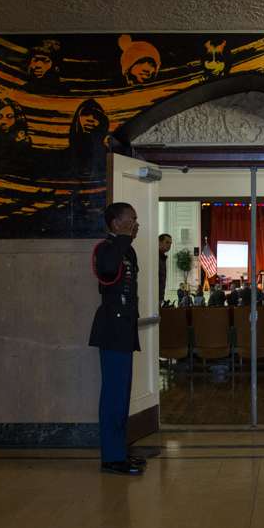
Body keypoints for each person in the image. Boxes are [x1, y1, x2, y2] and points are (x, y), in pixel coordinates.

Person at [88, 202, 146, 476]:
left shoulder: (127, 249)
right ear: (115, 224)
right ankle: (111, 458)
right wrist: (122, 239)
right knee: (113, 396)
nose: (135, 224)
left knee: (122, 396)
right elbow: (109, 271)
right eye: (130, 219)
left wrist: (126, 240)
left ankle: (119, 451)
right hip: (111, 330)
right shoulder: (105, 249)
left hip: (124, 331)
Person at [158, 233, 172, 306]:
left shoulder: (162, 258)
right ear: (159, 242)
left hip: (160, 296)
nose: (169, 245)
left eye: (170, 243)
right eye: (167, 242)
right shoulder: (155, 257)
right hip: (154, 296)